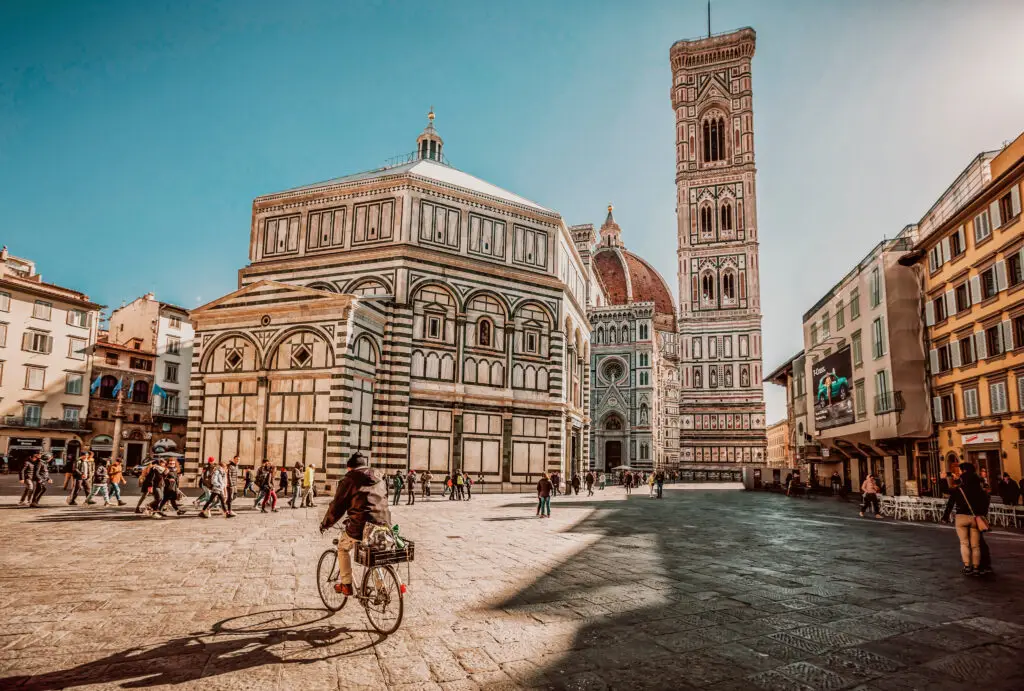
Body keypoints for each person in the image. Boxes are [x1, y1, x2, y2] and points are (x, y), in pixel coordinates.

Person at [319, 452, 392, 597]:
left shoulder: (349, 479)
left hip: (361, 526)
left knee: (342, 547)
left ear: (349, 468)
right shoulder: (379, 476)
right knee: (373, 552)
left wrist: (326, 523)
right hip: (384, 524)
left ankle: (346, 585)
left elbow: (337, 506)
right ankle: (382, 590)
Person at [941, 463, 992, 576]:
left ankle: (967, 566)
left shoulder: (959, 489)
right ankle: (977, 568)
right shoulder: (980, 488)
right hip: (975, 518)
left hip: (961, 517)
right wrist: (982, 515)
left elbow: (949, 498)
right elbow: (986, 501)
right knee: (976, 545)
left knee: (964, 543)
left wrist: (943, 479)